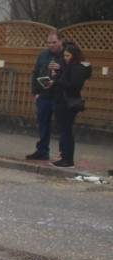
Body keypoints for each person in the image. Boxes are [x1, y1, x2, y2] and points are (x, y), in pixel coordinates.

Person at [49, 41, 91, 169]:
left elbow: (74, 86)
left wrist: (57, 83)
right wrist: (57, 77)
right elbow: (64, 80)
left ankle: (68, 159)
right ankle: (64, 156)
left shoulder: (77, 69)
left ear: (74, 56)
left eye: (68, 56)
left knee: (66, 131)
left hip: (69, 102)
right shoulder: (67, 67)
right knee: (63, 130)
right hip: (62, 101)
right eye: (65, 56)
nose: (65, 58)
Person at [26, 30, 65, 162]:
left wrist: (60, 67)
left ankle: (64, 154)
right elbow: (36, 73)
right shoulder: (43, 55)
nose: (51, 45)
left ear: (61, 41)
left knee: (62, 125)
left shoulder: (66, 55)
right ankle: (42, 151)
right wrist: (35, 92)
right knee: (43, 124)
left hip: (58, 95)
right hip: (43, 95)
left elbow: (73, 73)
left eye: (54, 42)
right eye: (49, 42)